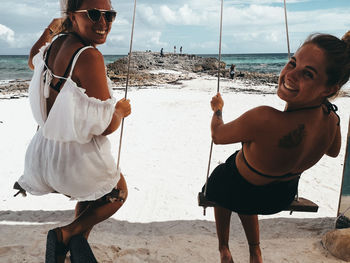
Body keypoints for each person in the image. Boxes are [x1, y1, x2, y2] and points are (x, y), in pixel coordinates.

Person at [203, 31, 350, 263]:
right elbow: (333, 151)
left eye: (308, 74)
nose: (290, 75)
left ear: (329, 88)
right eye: (293, 62)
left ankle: (224, 248)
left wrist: (217, 109)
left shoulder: (264, 118)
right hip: (280, 196)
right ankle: (255, 251)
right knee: (246, 185)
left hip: (241, 189)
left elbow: (218, 136)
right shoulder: (332, 119)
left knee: (222, 179)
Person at [13, 0, 131, 262]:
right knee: (116, 193)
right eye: (93, 14)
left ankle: (73, 248)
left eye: (109, 15)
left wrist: (51, 28)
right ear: (73, 16)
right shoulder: (89, 55)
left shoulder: (55, 44)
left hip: (43, 153)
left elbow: (33, 60)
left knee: (91, 199)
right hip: (72, 161)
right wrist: (121, 112)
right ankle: (66, 235)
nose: (103, 23)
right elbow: (105, 126)